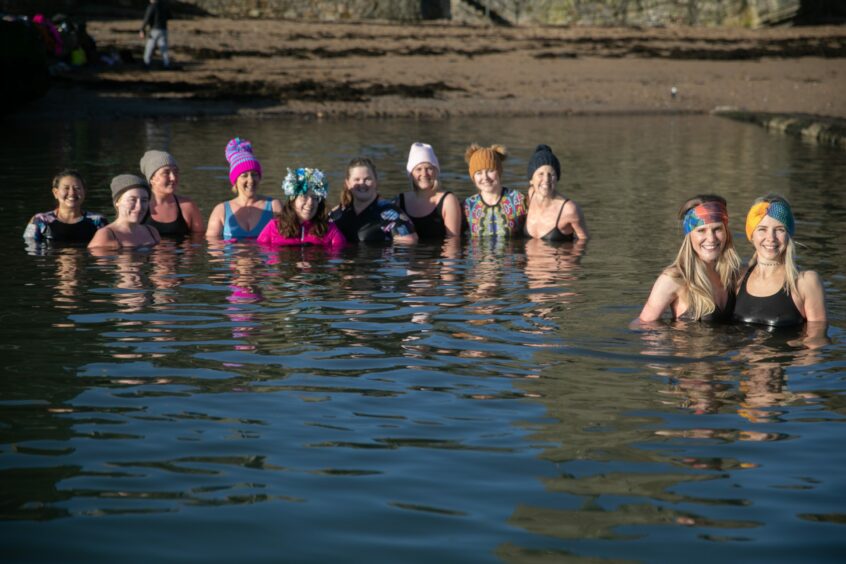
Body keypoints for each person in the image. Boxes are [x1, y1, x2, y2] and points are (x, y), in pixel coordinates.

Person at [638, 195, 741, 322]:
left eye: (717, 229)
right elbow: (643, 325)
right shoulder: (674, 278)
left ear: (726, 232)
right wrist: (667, 339)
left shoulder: (735, 275)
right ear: (689, 236)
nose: (711, 238)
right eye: (701, 230)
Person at [734, 194, 826, 326]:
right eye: (762, 229)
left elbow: (817, 339)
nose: (771, 238)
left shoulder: (805, 282)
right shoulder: (738, 278)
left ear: (788, 235)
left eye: (779, 230)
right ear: (751, 235)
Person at [206, 138, 282, 240]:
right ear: (235, 181)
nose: (250, 180)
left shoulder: (274, 206)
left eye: (254, 174)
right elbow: (213, 249)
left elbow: (285, 241)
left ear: (259, 178)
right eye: (244, 175)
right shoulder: (221, 211)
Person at [329, 157, 417, 244]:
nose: (362, 184)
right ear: (348, 183)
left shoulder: (392, 214)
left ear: (376, 182)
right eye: (357, 179)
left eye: (367, 179)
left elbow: (409, 245)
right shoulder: (336, 215)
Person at [257, 167, 346, 247]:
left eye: (315, 198)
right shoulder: (274, 227)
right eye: (304, 196)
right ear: (292, 200)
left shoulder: (329, 230)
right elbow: (261, 255)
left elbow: (340, 256)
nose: (310, 202)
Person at [395, 142, 461, 239]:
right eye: (418, 169)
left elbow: (453, 241)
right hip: (409, 254)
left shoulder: (448, 200)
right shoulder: (400, 201)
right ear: (411, 174)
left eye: (429, 168)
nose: (424, 174)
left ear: (436, 172)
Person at [523, 144, 589, 241]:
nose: (546, 179)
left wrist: (570, 256)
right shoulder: (530, 195)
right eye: (541, 174)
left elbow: (584, 241)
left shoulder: (569, 209)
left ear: (557, 178)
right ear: (531, 180)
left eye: (551, 174)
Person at [24, 169, 107, 244]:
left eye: (77, 188)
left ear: (84, 192)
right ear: (55, 192)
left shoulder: (98, 221)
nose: (72, 193)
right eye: (66, 188)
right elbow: (30, 248)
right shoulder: (40, 220)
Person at [463, 143, 526, 238]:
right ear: (473, 177)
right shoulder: (467, 207)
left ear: (499, 172)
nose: (485, 177)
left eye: (490, 171)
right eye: (479, 173)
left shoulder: (518, 201)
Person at [140, 150, 205, 237]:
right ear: (151, 179)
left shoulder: (187, 206)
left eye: (175, 172)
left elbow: (199, 241)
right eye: (166, 173)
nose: (173, 178)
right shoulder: (139, 207)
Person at [88, 174, 161, 249]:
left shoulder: (152, 232)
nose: (139, 207)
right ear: (117, 202)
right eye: (132, 200)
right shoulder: (106, 235)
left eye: (144, 200)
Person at [139, 0, 172, 69]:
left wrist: (142, 29)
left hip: (154, 29)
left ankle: (146, 62)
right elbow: (170, 16)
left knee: (149, 47)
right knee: (164, 48)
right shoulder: (164, 6)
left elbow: (147, 18)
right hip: (163, 29)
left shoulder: (152, 7)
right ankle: (166, 63)